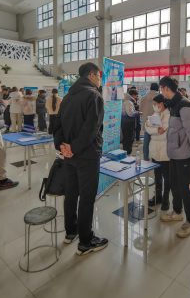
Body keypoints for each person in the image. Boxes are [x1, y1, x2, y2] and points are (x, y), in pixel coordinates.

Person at [53, 62, 108, 256]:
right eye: (99, 76)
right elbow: (91, 129)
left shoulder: (68, 97)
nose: (100, 80)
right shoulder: (94, 96)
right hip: (87, 155)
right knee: (86, 198)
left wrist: (63, 146)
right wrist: (74, 148)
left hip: (69, 155)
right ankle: (85, 241)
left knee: (71, 194)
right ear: (92, 75)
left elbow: (57, 125)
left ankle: (71, 231)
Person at [159, 76, 190, 238]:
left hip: (185, 154)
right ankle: (177, 212)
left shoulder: (184, 105)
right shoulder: (174, 104)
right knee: (174, 184)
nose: (161, 92)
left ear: (166, 88)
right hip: (175, 153)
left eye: (161, 89)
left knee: (186, 189)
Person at [145, 94, 171, 209]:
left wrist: (154, 131)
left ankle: (166, 200)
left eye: (155, 104)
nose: (154, 106)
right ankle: (158, 197)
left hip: (165, 152)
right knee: (157, 176)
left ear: (161, 104)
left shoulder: (169, 115)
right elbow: (147, 127)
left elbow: (164, 134)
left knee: (167, 178)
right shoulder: (155, 115)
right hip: (154, 150)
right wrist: (156, 130)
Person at [139, 83, 159, 161]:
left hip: (146, 121)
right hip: (157, 121)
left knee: (146, 141)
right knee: (156, 141)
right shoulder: (160, 97)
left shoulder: (144, 98)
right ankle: (155, 158)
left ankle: (145, 157)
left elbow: (140, 109)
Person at [121, 89, 138, 154]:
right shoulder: (129, 102)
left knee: (125, 138)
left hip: (124, 122)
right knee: (128, 138)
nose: (136, 97)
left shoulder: (125, 100)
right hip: (128, 123)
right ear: (133, 95)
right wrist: (137, 113)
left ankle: (126, 151)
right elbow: (130, 114)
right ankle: (128, 152)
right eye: (136, 96)